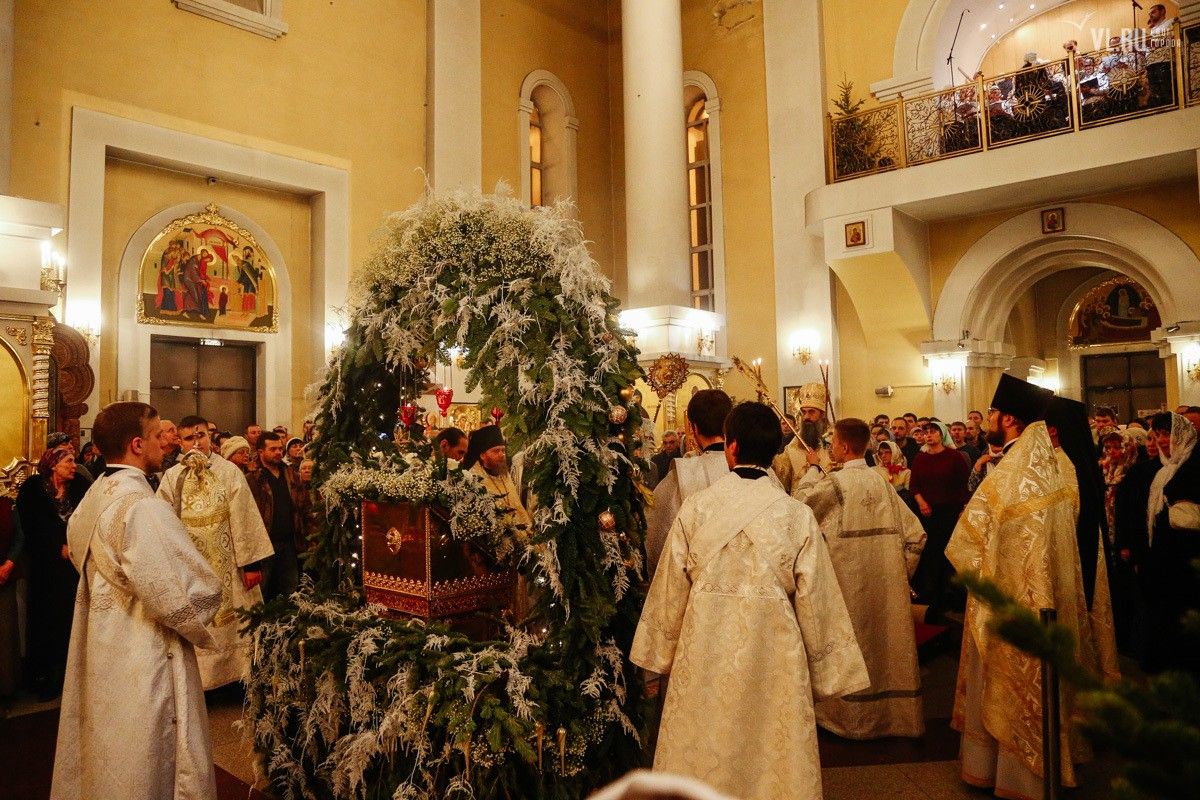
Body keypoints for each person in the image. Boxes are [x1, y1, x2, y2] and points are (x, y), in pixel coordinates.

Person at [630, 401, 868, 800]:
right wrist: (831, 669)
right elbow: (818, 601)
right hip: (772, 653)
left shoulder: (696, 508)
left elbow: (671, 588)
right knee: (770, 750)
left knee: (702, 739)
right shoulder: (796, 515)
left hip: (704, 650)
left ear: (732, 447)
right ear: (774, 451)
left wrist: (658, 651)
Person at [946, 374, 1110, 798]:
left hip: (1008, 600)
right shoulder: (1052, 466)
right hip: (1044, 599)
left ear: (1010, 419)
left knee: (1010, 685)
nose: (989, 420)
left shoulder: (1013, 474)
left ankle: (1011, 774)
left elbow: (966, 544)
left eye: (994, 413)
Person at [52, 401, 221, 800]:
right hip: (144, 645)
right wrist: (212, 589)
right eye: (157, 434)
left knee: (110, 735)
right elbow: (178, 590)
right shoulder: (143, 507)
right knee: (147, 741)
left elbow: (77, 548)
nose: (167, 441)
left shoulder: (96, 494)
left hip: (102, 637)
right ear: (136, 444)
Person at [792, 418, 927, 739]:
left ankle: (852, 721)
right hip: (887, 593)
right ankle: (893, 718)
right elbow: (916, 537)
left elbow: (798, 508)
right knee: (884, 649)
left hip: (845, 592)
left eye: (832, 444)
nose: (830, 449)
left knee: (854, 647)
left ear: (842, 446)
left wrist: (813, 468)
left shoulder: (834, 485)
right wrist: (898, 578)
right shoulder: (883, 484)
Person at [157, 416, 273, 689]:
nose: (196, 442)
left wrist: (250, 564)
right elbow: (163, 519)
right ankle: (202, 683)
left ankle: (240, 677)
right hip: (191, 565)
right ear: (180, 443)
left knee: (237, 620)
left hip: (229, 563)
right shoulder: (173, 477)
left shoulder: (229, 472)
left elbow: (244, 516)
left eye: (201, 436)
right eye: (189, 438)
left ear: (210, 437)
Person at [16, 443, 89, 699]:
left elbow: (89, 517)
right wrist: (55, 546)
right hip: (44, 567)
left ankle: (69, 676)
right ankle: (44, 675)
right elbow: (29, 525)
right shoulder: (33, 489)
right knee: (45, 619)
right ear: (53, 465)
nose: (74, 466)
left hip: (73, 567)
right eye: (68, 461)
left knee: (69, 618)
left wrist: (74, 545)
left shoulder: (80, 486)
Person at [1137, 412, 1200, 674]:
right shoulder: (1162, 470)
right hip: (1165, 559)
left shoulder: (1193, 464)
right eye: (1159, 434)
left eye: (1168, 434)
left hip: (1188, 558)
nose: (1163, 440)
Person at [645, 389, 733, 576]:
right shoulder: (758, 472)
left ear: (694, 428)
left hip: (698, 580)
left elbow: (657, 536)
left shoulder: (682, 475)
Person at [909, 421, 970, 621]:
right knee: (930, 554)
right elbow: (914, 485)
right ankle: (932, 596)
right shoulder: (920, 458)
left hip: (950, 513)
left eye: (933, 431)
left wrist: (962, 508)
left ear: (942, 434)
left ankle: (953, 596)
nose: (928, 435)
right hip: (927, 513)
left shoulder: (954, 456)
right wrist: (921, 502)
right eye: (926, 432)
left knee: (949, 555)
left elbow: (964, 484)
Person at [247, 431, 305, 601]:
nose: (279, 452)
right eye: (273, 449)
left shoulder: (291, 474)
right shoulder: (253, 479)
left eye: (280, 448)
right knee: (262, 594)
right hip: (264, 544)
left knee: (291, 592)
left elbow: (302, 505)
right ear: (260, 451)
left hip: (289, 543)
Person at [466, 425, 533, 533]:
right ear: (482, 455)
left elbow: (517, 504)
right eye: (496, 451)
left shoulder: (503, 473)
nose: (502, 455)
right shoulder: (473, 478)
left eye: (503, 450)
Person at [772, 383, 833, 494]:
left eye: (811, 412)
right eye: (803, 412)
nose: (806, 417)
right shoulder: (794, 444)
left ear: (823, 414)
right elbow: (782, 474)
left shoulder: (834, 440)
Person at [0, 495, 24, 710]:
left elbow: (19, 537)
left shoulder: (8, 504)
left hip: (4, 579)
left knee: (6, 636)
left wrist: (8, 565)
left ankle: (7, 689)